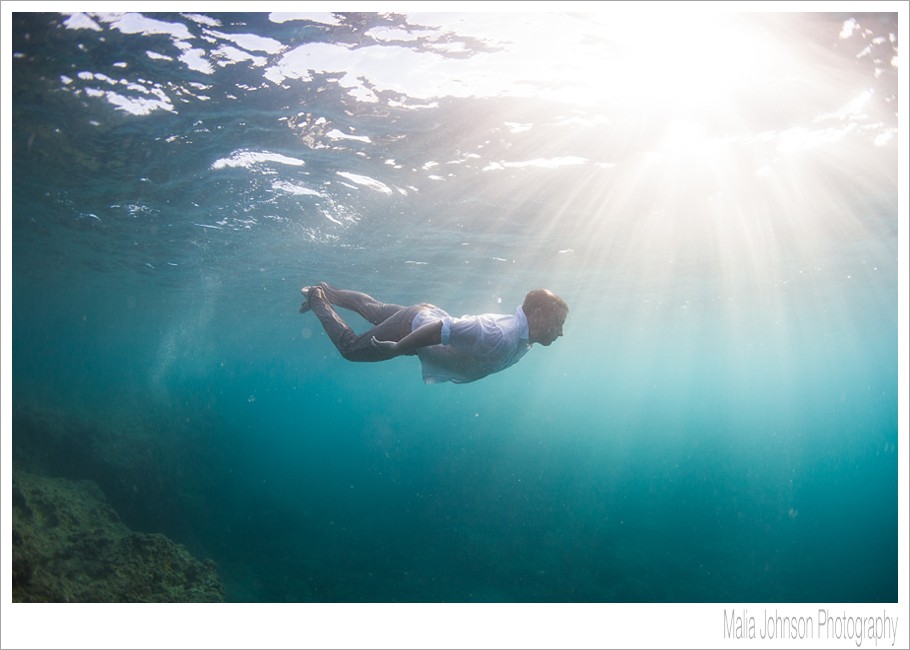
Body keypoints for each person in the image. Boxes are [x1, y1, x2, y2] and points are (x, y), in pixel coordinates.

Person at [299, 282, 568, 384]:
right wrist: (398, 347)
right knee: (352, 350)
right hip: (418, 325)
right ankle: (317, 298)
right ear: (538, 315)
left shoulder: (524, 338)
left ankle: (326, 290)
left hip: (424, 316)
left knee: (374, 309)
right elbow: (443, 330)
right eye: (558, 323)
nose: (561, 332)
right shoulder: (500, 334)